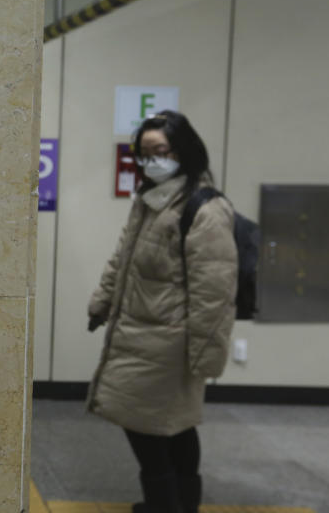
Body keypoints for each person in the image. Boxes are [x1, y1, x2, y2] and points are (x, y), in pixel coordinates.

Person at [86, 111, 238, 513]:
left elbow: (215, 294)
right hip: (138, 335)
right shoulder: (151, 199)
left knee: (149, 432)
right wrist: (101, 300)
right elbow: (123, 259)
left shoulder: (205, 210)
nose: (152, 161)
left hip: (169, 344)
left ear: (183, 151)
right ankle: (178, 506)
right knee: (171, 429)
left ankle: (165, 507)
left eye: (161, 151)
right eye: (145, 153)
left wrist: (205, 357)